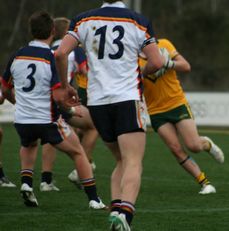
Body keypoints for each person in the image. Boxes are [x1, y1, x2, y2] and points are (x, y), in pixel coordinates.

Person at [55, 1, 164, 230]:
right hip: (126, 98)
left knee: (121, 160)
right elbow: (157, 61)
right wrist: (142, 75)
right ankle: (125, 215)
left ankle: (115, 210)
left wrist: (64, 87)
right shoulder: (138, 20)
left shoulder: (83, 19)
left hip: (97, 103)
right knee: (133, 161)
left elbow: (61, 52)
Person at [1, 11, 106, 209]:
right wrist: (71, 109)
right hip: (47, 119)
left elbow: (5, 89)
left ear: (31, 31)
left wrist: (18, 103)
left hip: (23, 120)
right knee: (78, 153)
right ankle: (94, 199)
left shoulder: (17, 55)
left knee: (29, 144)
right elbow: (58, 97)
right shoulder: (50, 58)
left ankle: (26, 183)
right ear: (52, 31)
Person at [139, 38, 224, 195]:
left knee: (194, 146)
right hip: (156, 111)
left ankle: (207, 144)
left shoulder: (164, 45)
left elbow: (186, 66)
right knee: (175, 149)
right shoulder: (131, 57)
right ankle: (205, 183)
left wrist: (167, 63)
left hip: (177, 103)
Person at [40, 17, 99, 192]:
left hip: (44, 100)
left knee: (50, 136)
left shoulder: (46, 50)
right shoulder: (74, 49)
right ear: (68, 33)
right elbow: (84, 71)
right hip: (60, 99)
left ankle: (46, 181)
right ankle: (83, 168)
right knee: (94, 125)